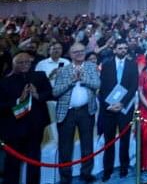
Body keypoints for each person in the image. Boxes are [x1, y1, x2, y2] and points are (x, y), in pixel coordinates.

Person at [0, 53, 52, 184]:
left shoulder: (40, 76)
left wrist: (37, 94)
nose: (24, 65)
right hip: (14, 128)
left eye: (27, 62)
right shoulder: (4, 82)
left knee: (34, 160)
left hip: (36, 126)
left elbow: (50, 93)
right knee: (12, 162)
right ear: (13, 64)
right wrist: (18, 100)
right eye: (20, 63)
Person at [53, 42, 101, 184]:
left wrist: (83, 79)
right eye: (76, 52)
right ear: (70, 54)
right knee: (65, 147)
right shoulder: (63, 70)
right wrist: (71, 81)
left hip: (87, 111)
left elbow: (97, 85)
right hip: (67, 113)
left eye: (82, 51)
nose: (79, 54)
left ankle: (86, 173)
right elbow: (55, 92)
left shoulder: (92, 67)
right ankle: (65, 177)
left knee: (87, 145)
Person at [99, 39, 138, 181]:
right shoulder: (106, 64)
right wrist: (108, 104)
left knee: (125, 139)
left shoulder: (132, 64)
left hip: (125, 108)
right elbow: (102, 87)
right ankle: (107, 170)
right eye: (120, 48)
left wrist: (121, 103)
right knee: (108, 140)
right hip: (109, 109)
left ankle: (123, 167)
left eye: (125, 48)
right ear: (114, 49)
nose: (123, 50)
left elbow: (134, 86)